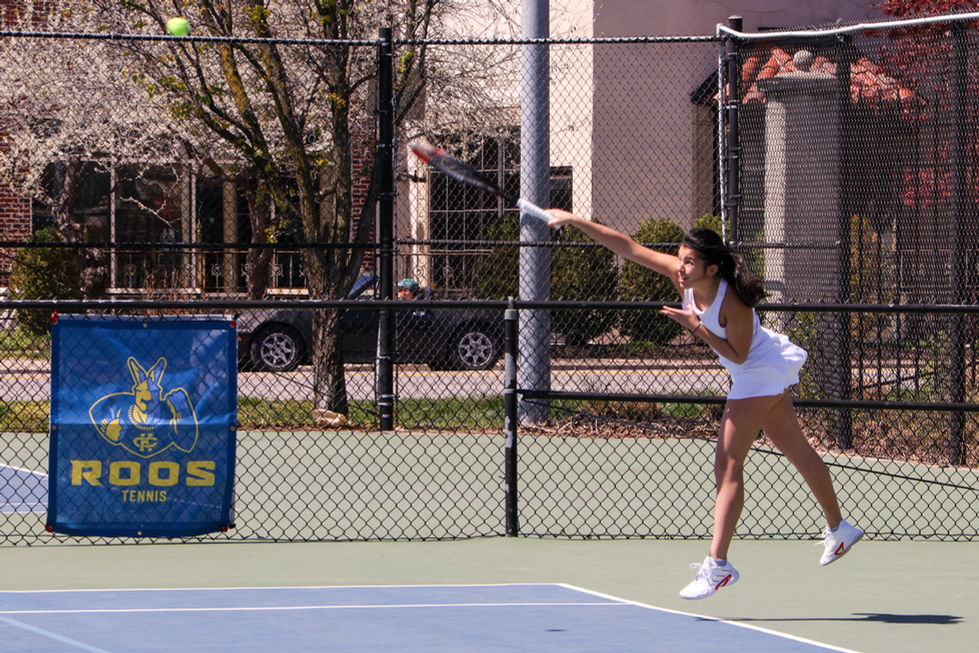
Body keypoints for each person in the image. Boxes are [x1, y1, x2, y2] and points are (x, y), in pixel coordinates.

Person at [544, 209, 863, 600]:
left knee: (728, 466)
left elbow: (740, 356)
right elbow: (627, 247)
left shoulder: (734, 303)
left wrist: (695, 326)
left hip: (756, 370)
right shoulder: (685, 277)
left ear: (712, 269)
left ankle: (718, 566)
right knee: (796, 449)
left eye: (689, 261)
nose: (680, 267)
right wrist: (574, 220)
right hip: (755, 371)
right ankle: (839, 528)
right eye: (679, 258)